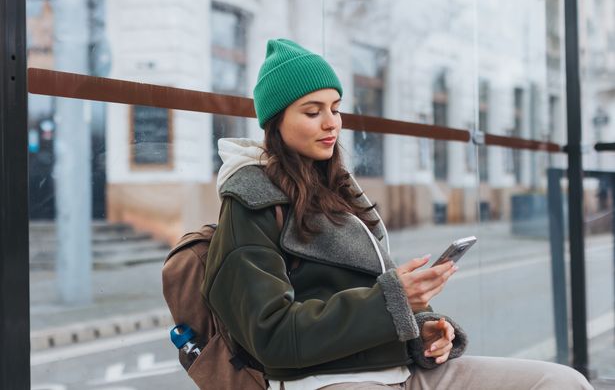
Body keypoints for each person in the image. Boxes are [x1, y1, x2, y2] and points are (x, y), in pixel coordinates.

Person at [203, 38, 593, 390]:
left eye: (336, 109)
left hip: (403, 371)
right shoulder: (250, 202)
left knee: (561, 381)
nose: (331, 123)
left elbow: (375, 304)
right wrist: (393, 300)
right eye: (312, 111)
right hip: (325, 380)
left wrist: (425, 331)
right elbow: (271, 335)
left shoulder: (340, 190)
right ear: (276, 122)